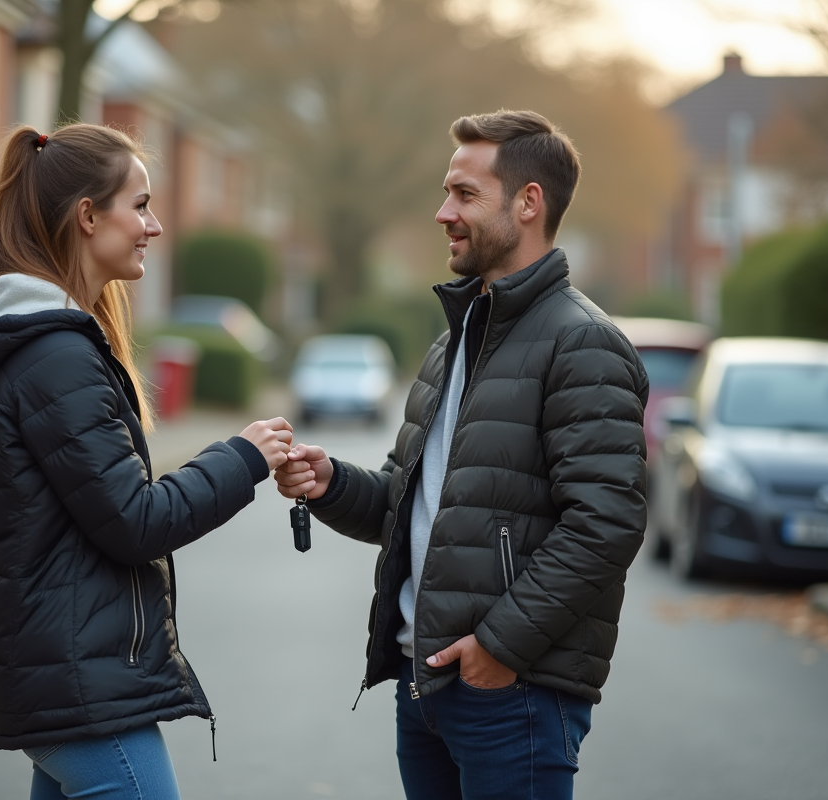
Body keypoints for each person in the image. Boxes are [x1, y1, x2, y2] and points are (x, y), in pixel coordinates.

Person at [274, 109, 649, 800]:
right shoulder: (456, 340)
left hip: (514, 693)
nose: (443, 212)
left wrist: (501, 648)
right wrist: (328, 485)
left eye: (465, 195)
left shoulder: (583, 344)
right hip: (428, 686)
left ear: (528, 202)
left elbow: (605, 524)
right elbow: (406, 500)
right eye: (447, 192)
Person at [0, 124, 293, 800]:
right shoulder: (56, 357)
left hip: (66, 679)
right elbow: (135, 520)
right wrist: (242, 456)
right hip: (78, 689)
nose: (154, 226)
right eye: (140, 205)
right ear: (87, 215)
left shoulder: (50, 343)